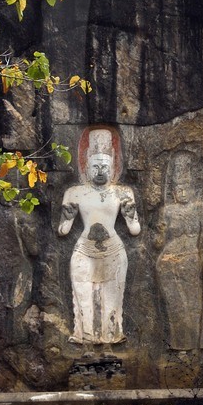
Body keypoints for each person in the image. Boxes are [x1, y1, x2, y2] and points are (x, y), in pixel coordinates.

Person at [58, 128, 140, 343]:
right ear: (86, 167)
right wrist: (67, 216)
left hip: (113, 250)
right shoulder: (75, 193)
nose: (101, 171)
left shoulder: (123, 193)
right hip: (84, 250)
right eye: (96, 166)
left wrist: (130, 215)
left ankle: (111, 338)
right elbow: (63, 231)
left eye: (105, 166)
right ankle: (84, 337)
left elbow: (135, 230)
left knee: (112, 299)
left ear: (113, 167)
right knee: (83, 297)